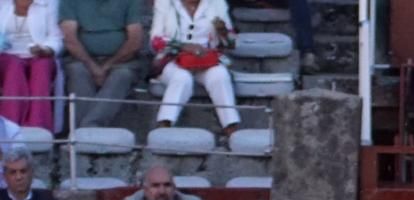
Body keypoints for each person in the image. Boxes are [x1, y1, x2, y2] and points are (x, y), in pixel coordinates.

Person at [151, 0, 241, 142]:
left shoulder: (217, 3)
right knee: (182, 77)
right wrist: (183, 46)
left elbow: (232, 43)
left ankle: (231, 127)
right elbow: (155, 40)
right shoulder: (165, 3)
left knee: (220, 75)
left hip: (206, 59)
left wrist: (224, 33)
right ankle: (165, 124)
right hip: (172, 59)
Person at [58, 0, 145, 128]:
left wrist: (107, 66)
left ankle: (87, 128)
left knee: (123, 75)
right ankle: (89, 132)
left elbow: (135, 41)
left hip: (121, 61)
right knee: (77, 71)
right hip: (81, 59)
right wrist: (93, 67)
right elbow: (70, 39)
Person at [0, 0, 60, 131]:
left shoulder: (49, 3)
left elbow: (55, 37)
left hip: (40, 54)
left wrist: (46, 50)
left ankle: (39, 129)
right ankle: (10, 130)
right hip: (6, 55)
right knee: (13, 67)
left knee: (42, 67)